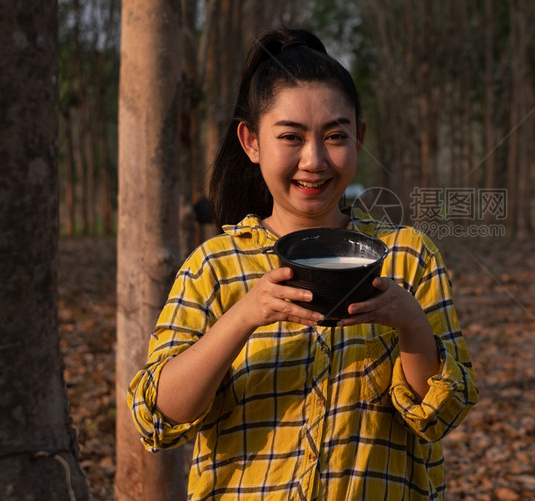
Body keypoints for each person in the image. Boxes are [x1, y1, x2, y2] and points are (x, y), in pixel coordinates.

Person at [127, 27, 479, 500]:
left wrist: (412, 323)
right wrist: (246, 315)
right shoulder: (215, 265)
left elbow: (440, 414)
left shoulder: (408, 257)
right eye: (291, 136)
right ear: (251, 142)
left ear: (359, 138)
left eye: (335, 136)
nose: (313, 160)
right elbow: (158, 417)